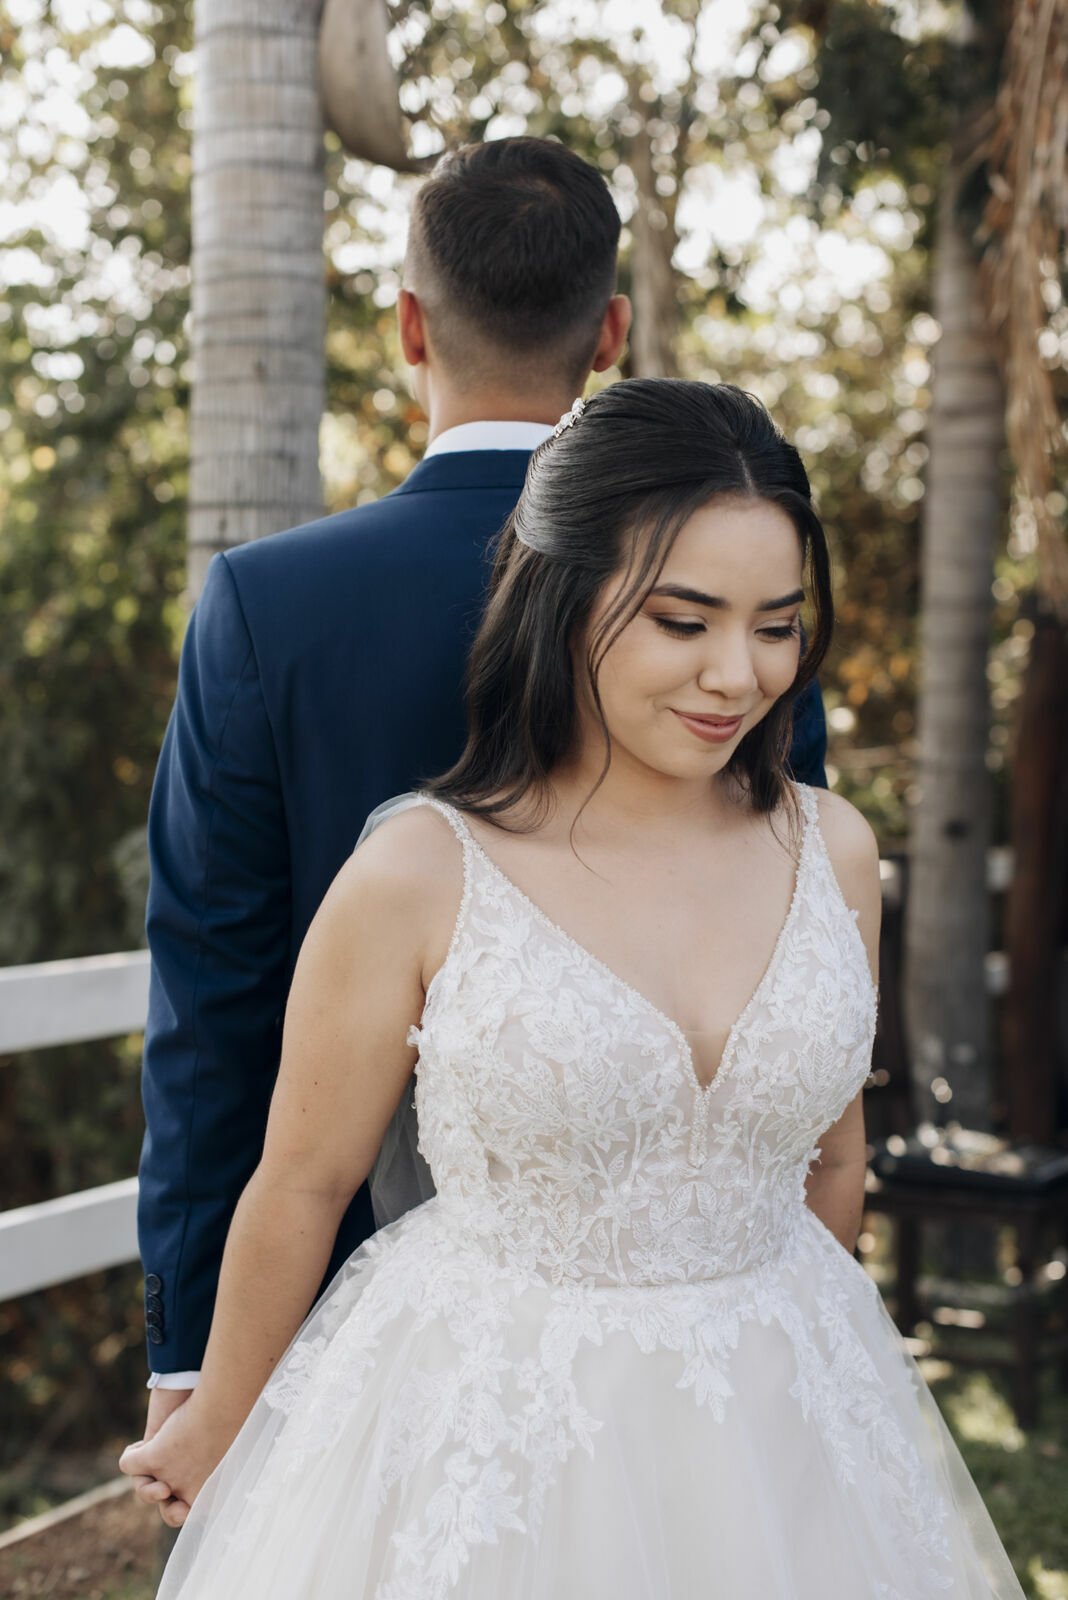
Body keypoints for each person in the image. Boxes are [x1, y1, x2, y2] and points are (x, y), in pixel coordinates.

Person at [123, 379, 1023, 1599]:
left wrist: (812, 1393)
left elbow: (831, 1161)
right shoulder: (419, 871)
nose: (737, 675)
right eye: (682, 619)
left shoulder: (838, 848)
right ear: (562, 595)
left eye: (776, 624)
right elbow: (304, 1180)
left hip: (788, 1410)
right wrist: (218, 1413)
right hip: (492, 1438)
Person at [135, 132, 829, 1508]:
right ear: (612, 332)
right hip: (714, 1358)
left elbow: (213, 997)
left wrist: (191, 1350)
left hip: (331, 1316)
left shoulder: (271, 603)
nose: (727, 670)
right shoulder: (747, 592)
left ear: (407, 325)